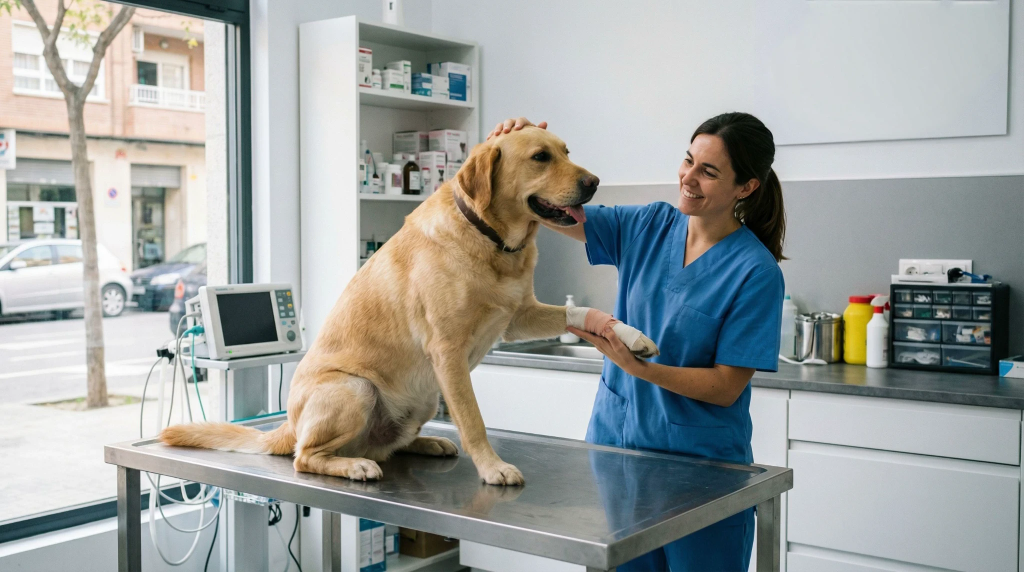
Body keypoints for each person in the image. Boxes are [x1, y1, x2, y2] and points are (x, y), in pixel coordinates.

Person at [489, 113, 786, 571]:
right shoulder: (650, 225)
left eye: (709, 172)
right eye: (688, 161)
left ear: (746, 187)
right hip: (617, 459)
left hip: (701, 477)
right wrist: (507, 159)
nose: (689, 178)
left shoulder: (756, 272)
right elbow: (560, 215)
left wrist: (640, 370)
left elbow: (727, 386)